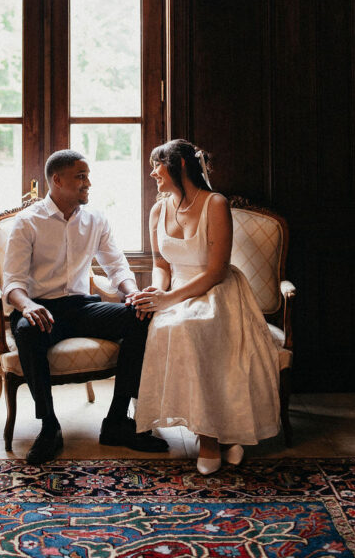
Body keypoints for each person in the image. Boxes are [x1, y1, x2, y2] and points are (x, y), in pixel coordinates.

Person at [3, 148, 169, 464]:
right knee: (27, 331)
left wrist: (132, 293)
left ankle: (118, 420)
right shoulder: (27, 222)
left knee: (141, 315)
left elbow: (116, 265)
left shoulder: (95, 219)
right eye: (81, 176)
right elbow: (12, 282)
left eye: (88, 176)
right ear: (57, 180)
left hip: (80, 308)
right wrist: (26, 307)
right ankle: (49, 426)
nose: (88, 183)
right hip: (41, 309)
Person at [130, 139, 281, 474]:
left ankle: (209, 439)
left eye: (158, 164)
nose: (153, 172)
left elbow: (216, 271)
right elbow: (162, 265)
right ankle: (222, 436)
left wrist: (168, 300)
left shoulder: (215, 203)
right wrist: (156, 290)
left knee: (189, 327)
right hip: (177, 289)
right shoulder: (158, 210)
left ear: (180, 165)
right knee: (161, 324)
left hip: (217, 291)